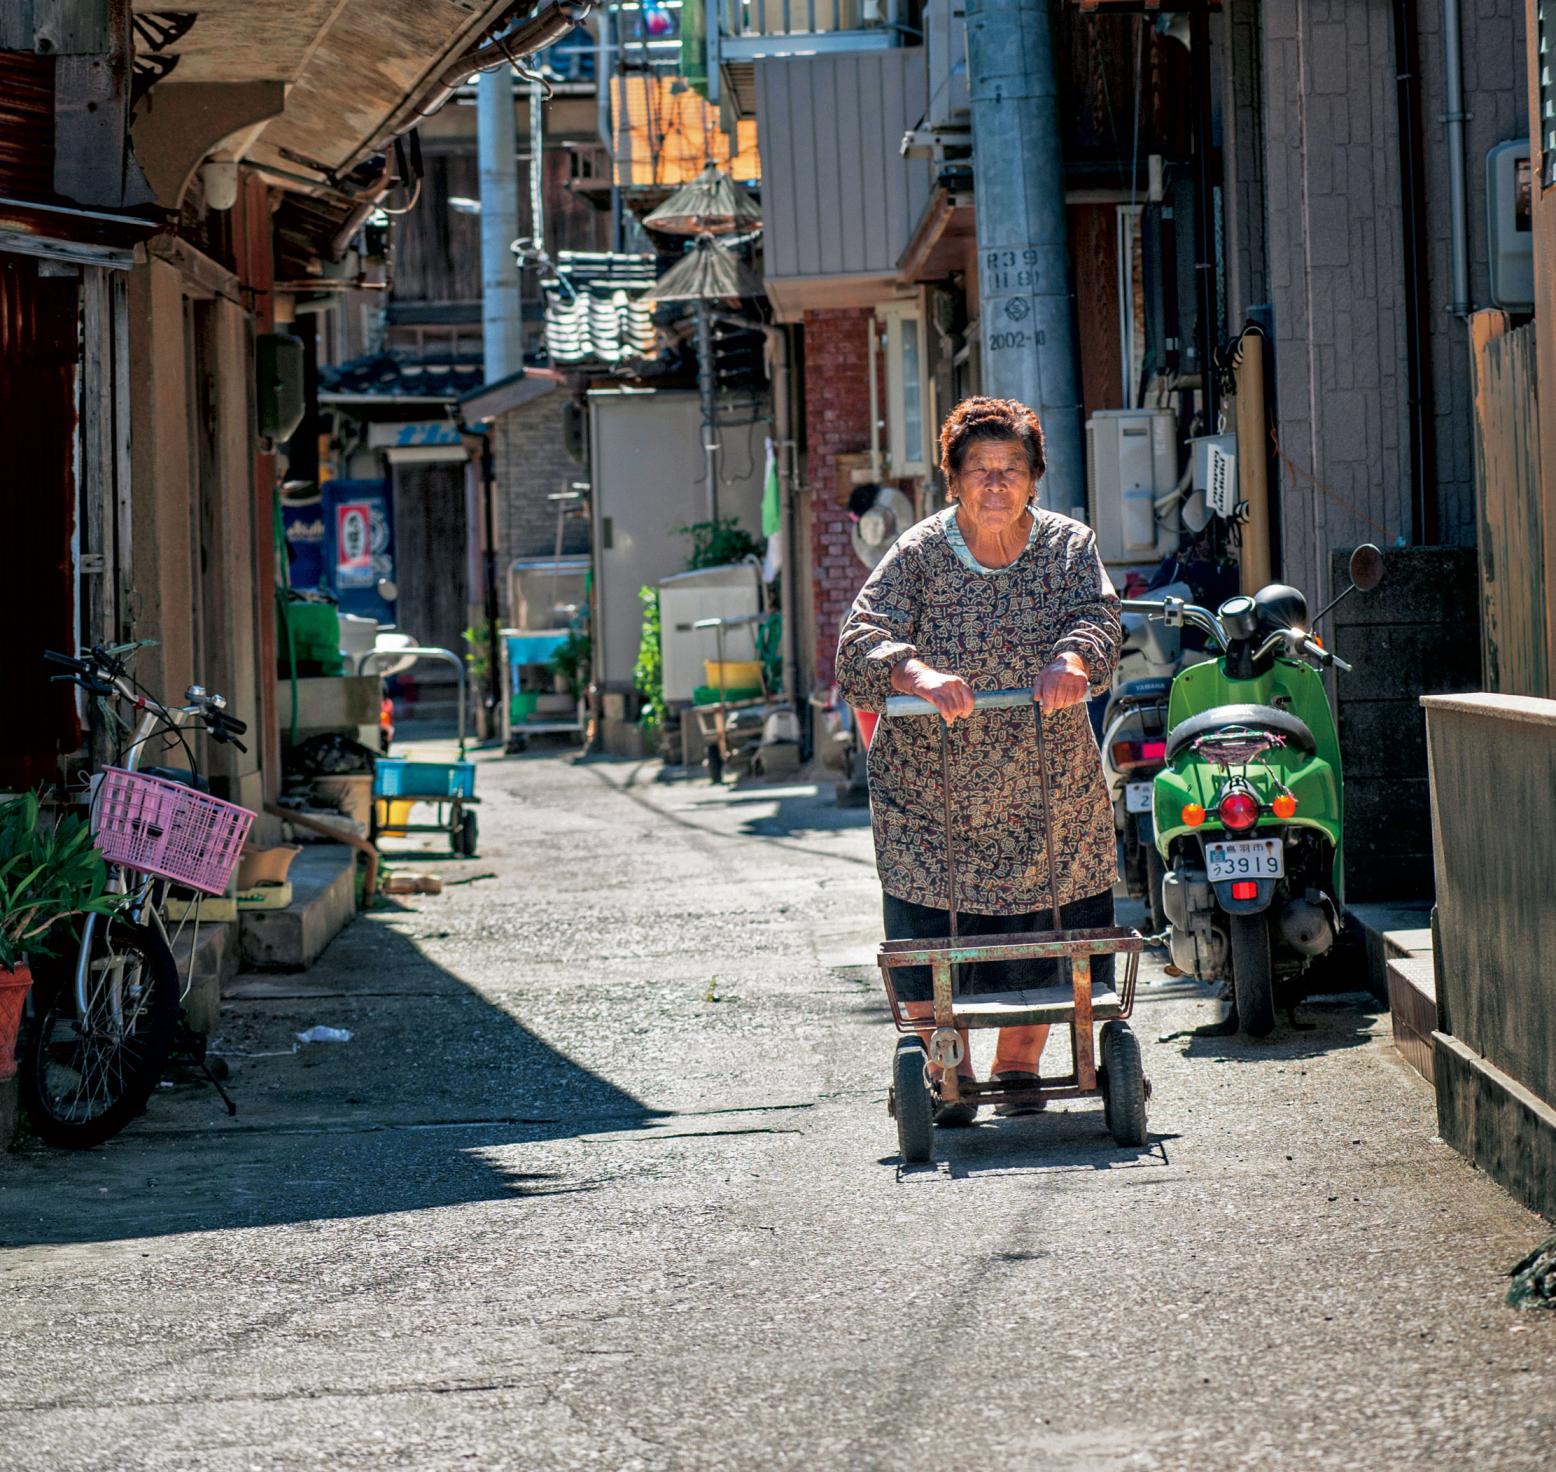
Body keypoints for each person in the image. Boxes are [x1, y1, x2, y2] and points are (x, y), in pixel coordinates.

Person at [835, 396, 1122, 1125]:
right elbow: (859, 636)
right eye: (980, 471)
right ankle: (946, 1061)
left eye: (1012, 470)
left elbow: (1098, 616)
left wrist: (1071, 657)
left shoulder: (1068, 547)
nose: (996, 485)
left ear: (1034, 479)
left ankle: (1019, 1065)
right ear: (954, 479)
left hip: (1046, 787)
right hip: (933, 796)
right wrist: (915, 674)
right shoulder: (920, 553)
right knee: (938, 932)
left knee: (1045, 930)